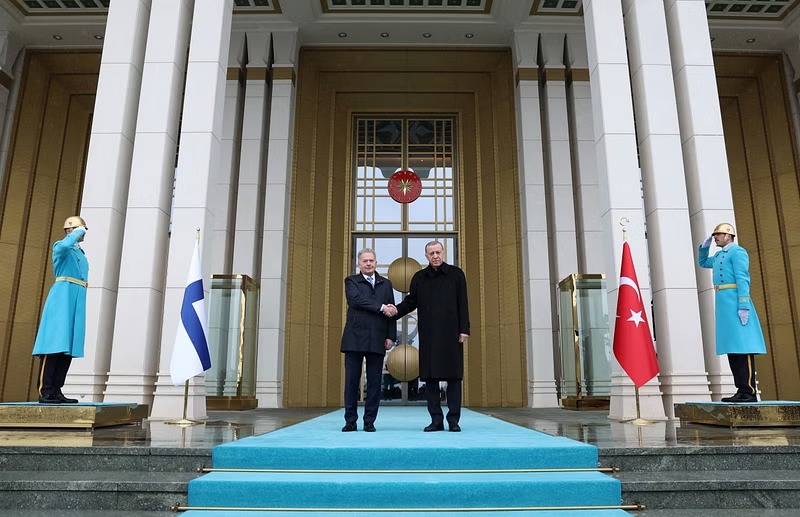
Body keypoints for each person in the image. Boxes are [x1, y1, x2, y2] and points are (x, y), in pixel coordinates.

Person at [392, 241, 469, 432]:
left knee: (453, 378)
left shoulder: (456, 274)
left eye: (438, 252)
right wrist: (395, 310)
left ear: (443, 253)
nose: (435, 256)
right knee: (431, 379)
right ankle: (436, 420)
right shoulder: (419, 277)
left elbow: (463, 303)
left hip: (452, 334)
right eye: (431, 253)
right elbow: (411, 302)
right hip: (429, 336)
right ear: (426, 256)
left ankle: (453, 421)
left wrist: (464, 329)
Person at [698, 223, 766, 403]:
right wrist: (704, 248)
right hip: (723, 302)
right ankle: (741, 389)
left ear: (729, 235)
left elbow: (743, 278)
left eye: (718, 235)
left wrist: (743, 304)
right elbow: (703, 262)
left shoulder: (737, 252)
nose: (715, 238)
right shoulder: (720, 254)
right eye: (714, 235)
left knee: (744, 347)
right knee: (733, 348)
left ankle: (749, 391)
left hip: (736, 300)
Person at [32, 216, 89, 404]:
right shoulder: (61, 247)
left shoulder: (80, 253)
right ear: (70, 230)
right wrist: (77, 231)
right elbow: (64, 247)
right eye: (80, 231)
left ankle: (57, 390)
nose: (83, 234)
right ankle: (46, 390)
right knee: (54, 344)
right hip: (62, 296)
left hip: (76, 297)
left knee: (67, 347)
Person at [340, 248, 397, 432]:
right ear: (359, 264)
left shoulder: (386, 284)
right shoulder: (351, 281)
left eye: (371, 260)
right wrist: (381, 307)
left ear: (376, 262)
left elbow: (391, 311)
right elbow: (356, 300)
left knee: (374, 383)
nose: (368, 263)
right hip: (354, 339)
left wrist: (390, 336)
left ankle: (369, 421)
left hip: (377, 339)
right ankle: (350, 421)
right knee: (351, 381)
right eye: (365, 261)